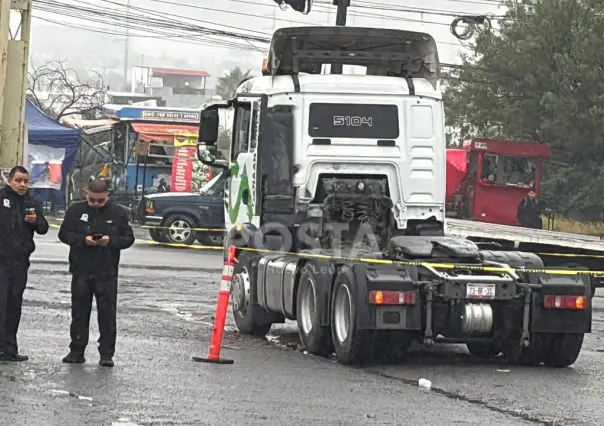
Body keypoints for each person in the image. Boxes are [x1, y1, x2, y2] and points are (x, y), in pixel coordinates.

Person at [58, 179, 134, 367]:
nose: (96, 204)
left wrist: (111, 241)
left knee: (107, 315)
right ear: (86, 194)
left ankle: (106, 354)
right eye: (92, 200)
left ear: (107, 196)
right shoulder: (76, 210)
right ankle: (76, 350)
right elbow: (64, 234)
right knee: (79, 313)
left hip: (106, 272)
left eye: (100, 201)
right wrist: (83, 240)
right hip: (81, 269)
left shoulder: (118, 212)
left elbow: (128, 238)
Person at [0, 166, 49, 362]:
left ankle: (10, 349)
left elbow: (44, 229)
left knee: (14, 305)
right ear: (10, 181)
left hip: (20, 262)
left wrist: (36, 221)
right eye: (18, 180)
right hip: (1, 261)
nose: (22, 185)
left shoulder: (32, 202)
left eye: (25, 181)